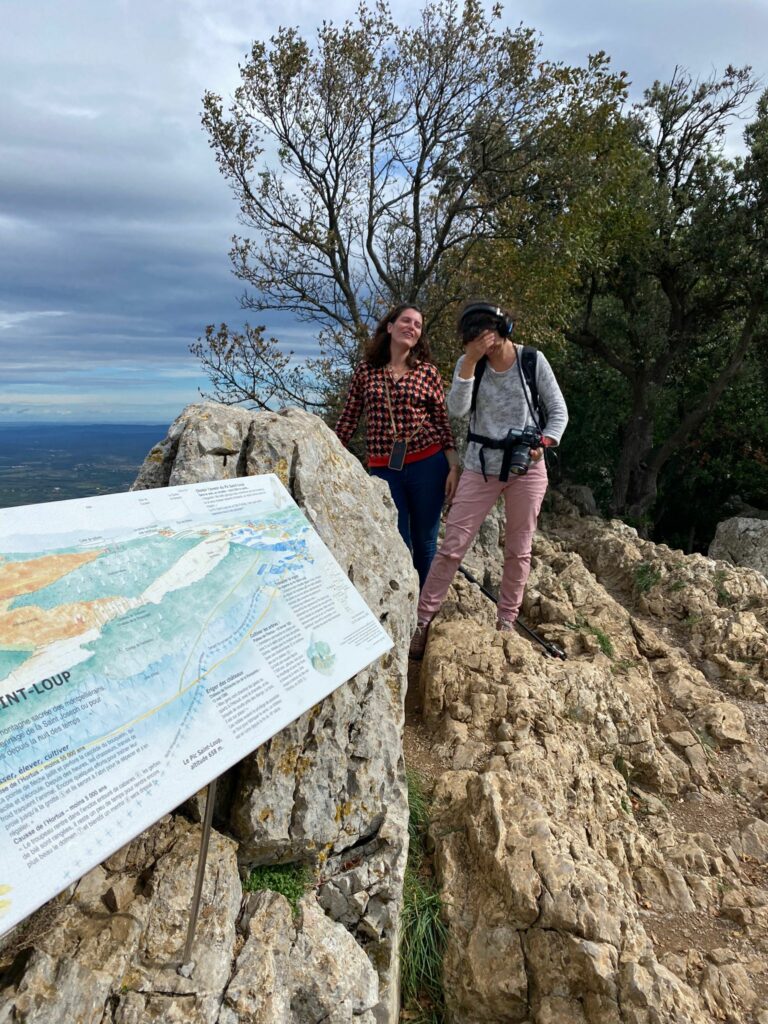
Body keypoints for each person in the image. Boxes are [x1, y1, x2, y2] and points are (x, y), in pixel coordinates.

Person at [409, 300, 568, 659]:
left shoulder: (532, 361)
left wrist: (544, 441)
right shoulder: (472, 367)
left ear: (504, 328)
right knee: (452, 546)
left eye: (491, 333)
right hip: (480, 465)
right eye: (477, 336)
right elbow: (457, 410)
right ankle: (421, 621)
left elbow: (558, 411)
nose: (487, 341)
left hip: (526, 466)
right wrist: (469, 361)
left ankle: (506, 622)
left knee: (519, 550)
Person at [335, 304, 460, 587]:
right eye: (406, 320)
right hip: (384, 468)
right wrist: (328, 452)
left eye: (417, 325)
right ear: (390, 327)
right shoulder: (366, 371)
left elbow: (442, 423)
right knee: (396, 537)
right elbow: (348, 418)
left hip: (429, 464)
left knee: (425, 541)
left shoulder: (427, 373)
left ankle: (422, 613)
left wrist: (454, 466)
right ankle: (401, 599)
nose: (411, 327)